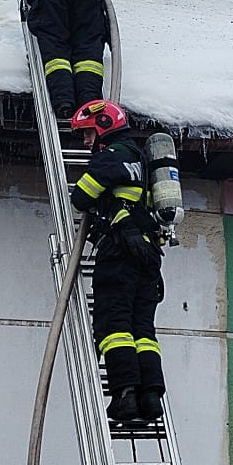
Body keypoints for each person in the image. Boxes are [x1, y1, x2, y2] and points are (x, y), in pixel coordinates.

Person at [66, 99, 165, 425]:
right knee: (142, 330)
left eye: (87, 134)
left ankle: (124, 396)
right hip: (149, 256)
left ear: (104, 126)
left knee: (114, 325)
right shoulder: (142, 160)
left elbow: (81, 196)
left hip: (120, 253)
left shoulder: (112, 156)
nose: (85, 142)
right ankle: (150, 398)